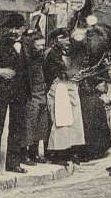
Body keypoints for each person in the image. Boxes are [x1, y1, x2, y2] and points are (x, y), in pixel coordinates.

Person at [0, 13, 30, 174]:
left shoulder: (28, 43)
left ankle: (13, 163)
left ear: (23, 28)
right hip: (2, 90)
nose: (13, 31)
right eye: (11, 28)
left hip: (20, 92)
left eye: (17, 28)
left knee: (17, 127)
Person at [44, 28, 86, 165]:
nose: (68, 41)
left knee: (73, 119)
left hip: (69, 86)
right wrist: (73, 74)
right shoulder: (52, 54)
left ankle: (69, 151)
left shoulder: (66, 51)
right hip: (58, 87)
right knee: (61, 120)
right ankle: (56, 154)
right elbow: (59, 72)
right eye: (65, 39)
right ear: (58, 39)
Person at [22, 31, 50, 164]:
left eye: (43, 45)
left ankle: (35, 153)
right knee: (29, 125)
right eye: (38, 45)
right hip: (32, 93)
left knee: (41, 124)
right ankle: (26, 154)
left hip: (42, 92)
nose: (41, 48)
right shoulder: (28, 59)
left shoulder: (42, 58)